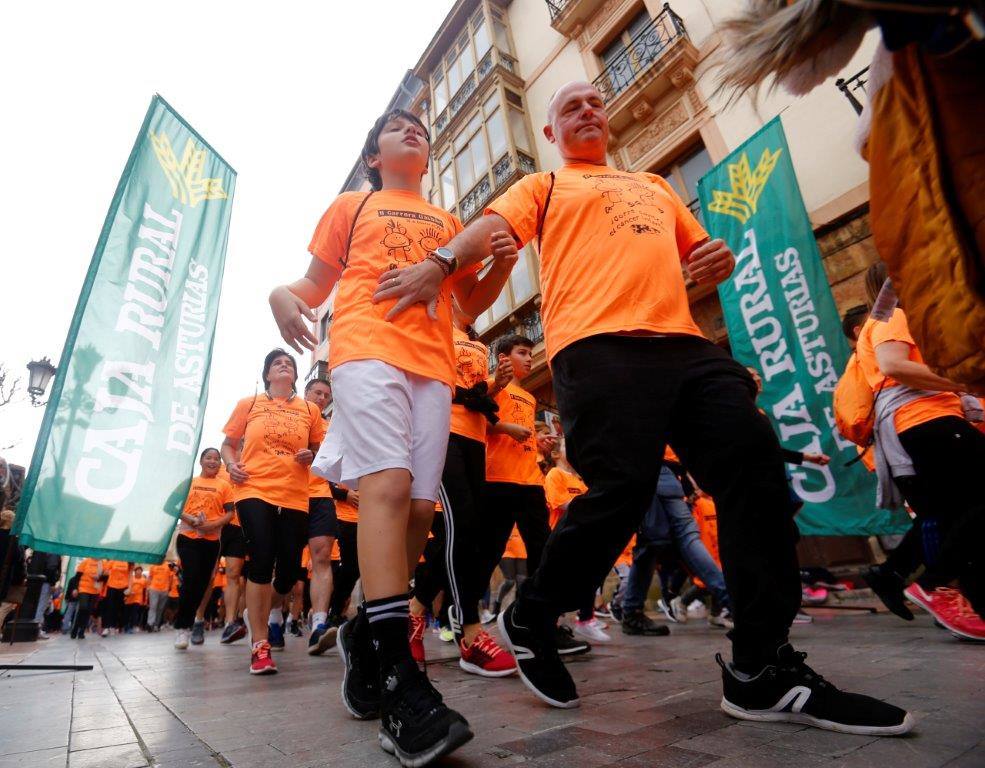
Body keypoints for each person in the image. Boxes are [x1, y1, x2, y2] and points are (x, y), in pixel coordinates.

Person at [379, 81, 913, 735]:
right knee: (620, 495)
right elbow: (492, 228)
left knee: (756, 472)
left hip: (684, 347)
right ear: (549, 132)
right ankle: (529, 613)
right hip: (595, 349)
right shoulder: (544, 187)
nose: (586, 110)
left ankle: (759, 670)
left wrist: (713, 259)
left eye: (594, 102)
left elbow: (699, 257)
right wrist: (440, 261)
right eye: (569, 106)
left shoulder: (657, 188)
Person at [268, 107, 520, 765]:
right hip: (364, 348)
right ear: (374, 156)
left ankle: (358, 629)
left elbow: (465, 308)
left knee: (417, 510)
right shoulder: (351, 206)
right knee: (386, 487)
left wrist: (498, 264)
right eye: (394, 127)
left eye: (420, 128)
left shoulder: (447, 224)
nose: (412, 131)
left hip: (432, 365)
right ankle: (399, 681)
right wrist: (279, 295)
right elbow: (311, 286)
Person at [854, 263, 985, 639]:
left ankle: (966, 601)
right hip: (928, 421)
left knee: (954, 514)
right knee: (967, 509)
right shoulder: (894, 314)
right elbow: (894, 365)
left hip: (919, 425)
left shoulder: (883, 321)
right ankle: (935, 581)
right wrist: (962, 383)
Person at [424, 302, 516, 677]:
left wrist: (498, 383)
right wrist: (468, 396)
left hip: (476, 436)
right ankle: (469, 631)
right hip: (441, 432)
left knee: (468, 531)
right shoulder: (434, 323)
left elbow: (475, 390)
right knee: (459, 524)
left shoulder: (473, 338)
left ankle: (416, 611)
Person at [222, 350, 326, 672]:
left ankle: (267, 611)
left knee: (290, 571)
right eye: (278, 364)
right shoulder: (249, 404)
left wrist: (313, 454)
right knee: (262, 558)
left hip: (295, 494)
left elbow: (323, 446)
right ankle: (260, 644)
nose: (284, 366)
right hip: (253, 489)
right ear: (268, 374)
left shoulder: (309, 409)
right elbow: (228, 443)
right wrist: (230, 463)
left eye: (290, 364)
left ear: (295, 376)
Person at [173, 448, 234, 649]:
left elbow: (230, 513)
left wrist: (213, 525)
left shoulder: (224, 486)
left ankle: (189, 625)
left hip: (211, 540)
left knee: (202, 584)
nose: (213, 462)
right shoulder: (189, 482)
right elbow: (171, 506)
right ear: (201, 461)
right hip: (187, 537)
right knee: (190, 579)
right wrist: (188, 517)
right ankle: (182, 629)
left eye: (217, 459)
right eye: (209, 458)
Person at [303, 377, 341, 656]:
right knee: (285, 571)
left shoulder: (330, 427)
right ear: (305, 393)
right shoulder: (292, 418)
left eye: (325, 395)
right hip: (287, 496)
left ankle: (319, 623)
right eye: (317, 392)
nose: (321, 398)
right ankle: (275, 619)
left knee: (322, 557)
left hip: (321, 495)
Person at [71, 557, 103, 639]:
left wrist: (99, 577)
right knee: (83, 607)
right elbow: (77, 577)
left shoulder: (102, 563)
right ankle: (75, 629)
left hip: (95, 591)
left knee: (88, 611)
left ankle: (81, 631)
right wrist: (75, 588)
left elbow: (106, 578)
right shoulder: (86, 562)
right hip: (83, 589)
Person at [100, 560, 132, 636]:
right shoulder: (113, 560)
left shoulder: (129, 562)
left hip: (123, 587)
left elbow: (130, 576)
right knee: (109, 607)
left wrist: (130, 588)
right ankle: (106, 627)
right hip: (111, 586)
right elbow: (105, 571)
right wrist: (105, 572)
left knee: (118, 608)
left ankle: (113, 626)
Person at [147, 561, 173, 631]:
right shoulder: (153, 564)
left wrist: (169, 587)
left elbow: (170, 577)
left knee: (160, 608)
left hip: (165, 589)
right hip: (154, 588)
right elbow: (150, 577)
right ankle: (150, 623)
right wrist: (148, 586)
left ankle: (156, 625)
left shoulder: (168, 565)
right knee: (153, 606)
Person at [124, 566, 147, 633]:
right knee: (127, 613)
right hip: (129, 598)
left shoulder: (144, 580)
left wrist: (144, 600)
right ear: (135, 571)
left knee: (135, 612)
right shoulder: (131, 578)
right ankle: (126, 626)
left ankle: (132, 626)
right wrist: (127, 594)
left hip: (138, 598)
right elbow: (126, 587)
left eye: (140, 570)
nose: (139, 572)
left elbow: (144, 590)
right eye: (137, 570)